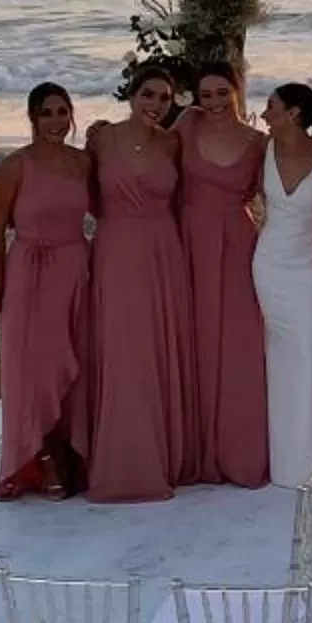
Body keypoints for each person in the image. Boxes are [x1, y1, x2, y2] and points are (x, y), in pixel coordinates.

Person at [79, 61, 196, 502]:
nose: (156, 104)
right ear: (131, 95)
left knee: (159, 348)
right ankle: (124, 463)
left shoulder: (173, 143)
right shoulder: (101, 139)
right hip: (117, 251)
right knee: (125, 350)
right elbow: (84, 196)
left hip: (164, 253)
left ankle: (165, 455)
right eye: (148, 94)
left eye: (165, 98)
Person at [0, 82, 92, 500]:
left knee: (75, 365)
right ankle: (38, 459)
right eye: (46, 113)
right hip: (30, 272)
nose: (56, 122)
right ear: (31, 117)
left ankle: (70, 456)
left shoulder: (84, 163)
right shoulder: (15, 166)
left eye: (63, 112)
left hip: (75, 268)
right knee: (34, 372)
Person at [174, 61, 270, 488]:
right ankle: (194, 450)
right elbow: (146, 153)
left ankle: (239, 451)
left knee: (239, 343)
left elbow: (288, 194)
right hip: (188, 239)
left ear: (237, 91)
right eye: (205, 94)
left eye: (221, 93)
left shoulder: (258, 143)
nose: (212, 102)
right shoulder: (186, 125)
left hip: (237, 242)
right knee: (193, 340)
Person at [254, 82, 312, 492]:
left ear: (293, 113)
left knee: (309, 357)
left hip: (311, 271)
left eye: (271, 107)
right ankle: (288, 464)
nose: (263, 113)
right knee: (279, 360)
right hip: (269, 266)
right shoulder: (263, 151)